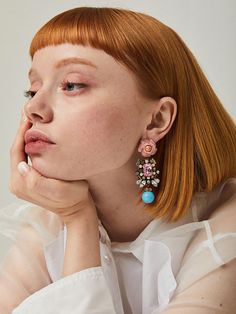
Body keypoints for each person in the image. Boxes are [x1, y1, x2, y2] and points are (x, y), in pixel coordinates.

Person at [0, 6, 235, 314]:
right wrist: (77, 217)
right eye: (31, 91)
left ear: (156, 119)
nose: (34, 109)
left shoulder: (226, 230)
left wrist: (78, 220)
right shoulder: (48, 222)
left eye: (71, 85)